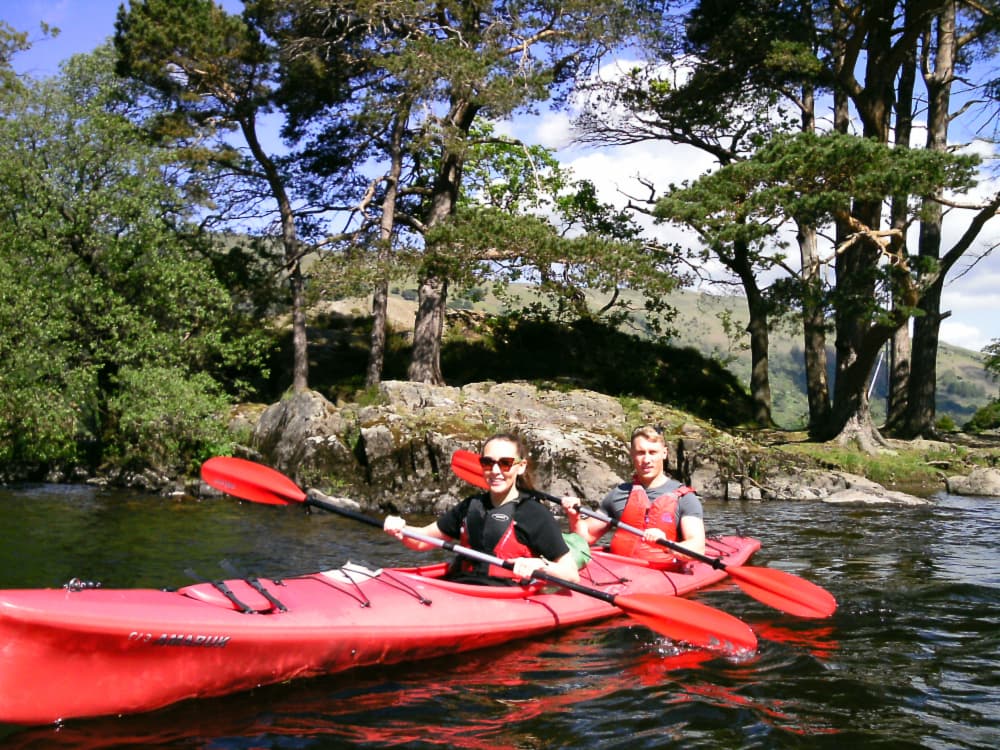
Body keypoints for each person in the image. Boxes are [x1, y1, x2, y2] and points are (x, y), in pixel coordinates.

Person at [383, 432, 580, 584]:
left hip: (506, 594)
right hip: (460, 585)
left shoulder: (534, 514)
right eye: (488, 463)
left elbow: (571, 574)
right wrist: (401, 529)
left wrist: (541, 565)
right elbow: (421, 541)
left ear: (520, 467)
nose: (495, 471)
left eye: (505, 463)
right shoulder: (471, 506)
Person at [562, 425, 705, 569]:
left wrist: (667, 543)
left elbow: (698, 548)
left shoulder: (685, 498)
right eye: (641, 452)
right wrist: (574, 516)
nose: (647, 459)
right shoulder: (619, 494)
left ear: (664, 453)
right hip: (618, 570)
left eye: (653, 452)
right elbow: (585, 537)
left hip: (663, 572)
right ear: (632, 454)